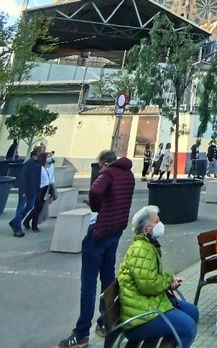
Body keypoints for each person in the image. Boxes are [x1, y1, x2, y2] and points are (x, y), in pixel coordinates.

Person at [58, 149, 135, 348]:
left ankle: (82, 333)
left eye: (100, 165)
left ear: (105, 164)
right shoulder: (128, 174)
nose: (100, 169)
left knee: (89, 282)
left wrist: (96, 207)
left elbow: (95, 191)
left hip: (100, 232)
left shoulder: (108, 173)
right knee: (108, 279)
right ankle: (107, 322)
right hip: (116, 230)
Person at [117, 205, 199, 346]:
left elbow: (150, 280)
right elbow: (148, 285)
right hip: (140, 317)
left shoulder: (148, 245)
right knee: (188, 327)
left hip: (149, 303)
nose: (160, 225)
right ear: (145, 228)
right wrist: (168, 281)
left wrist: (169, 281)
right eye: (155, 222)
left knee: (192, 312)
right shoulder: (141, 249)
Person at [8, 147, 42, 238]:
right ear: (36, 153)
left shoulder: (38, 164)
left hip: (33, 190)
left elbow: (38, 178)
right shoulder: (28, 164)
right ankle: (17, 229)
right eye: (41, 152)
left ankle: (14, 222)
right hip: (25, 190)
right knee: (20, 209)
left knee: (30, 206)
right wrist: (23, 191)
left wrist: (38, 189)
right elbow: (23, 178)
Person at [29, 150, 52, 232]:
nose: (50, 159)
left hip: (45, 189)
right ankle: (34, 226)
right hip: (39, 189)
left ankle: (27, 221)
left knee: (39, 208)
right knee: (37, 208)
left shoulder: (46, 167)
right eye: (48, 158)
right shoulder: (39, 167)